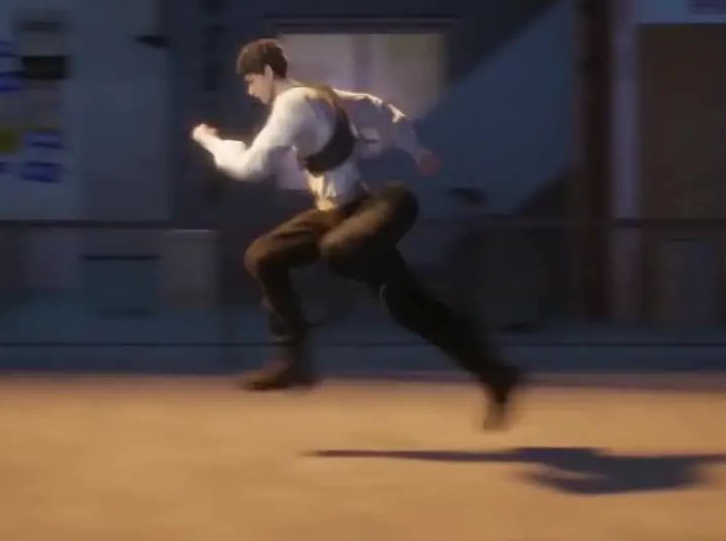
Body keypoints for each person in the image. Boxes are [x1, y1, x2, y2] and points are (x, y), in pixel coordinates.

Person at [191, 38, 523, 429]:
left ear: (266, 72)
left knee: (347, 258)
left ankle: (493, 368)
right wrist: (415, 149)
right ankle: (296, 361)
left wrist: (211, 142)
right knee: (267, 256)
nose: (250, 91)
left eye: (250, 81)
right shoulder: (322, 95)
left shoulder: (291, 104)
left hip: (362, 214)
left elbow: (251, 167)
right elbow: (377, 109)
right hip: (335, 215)